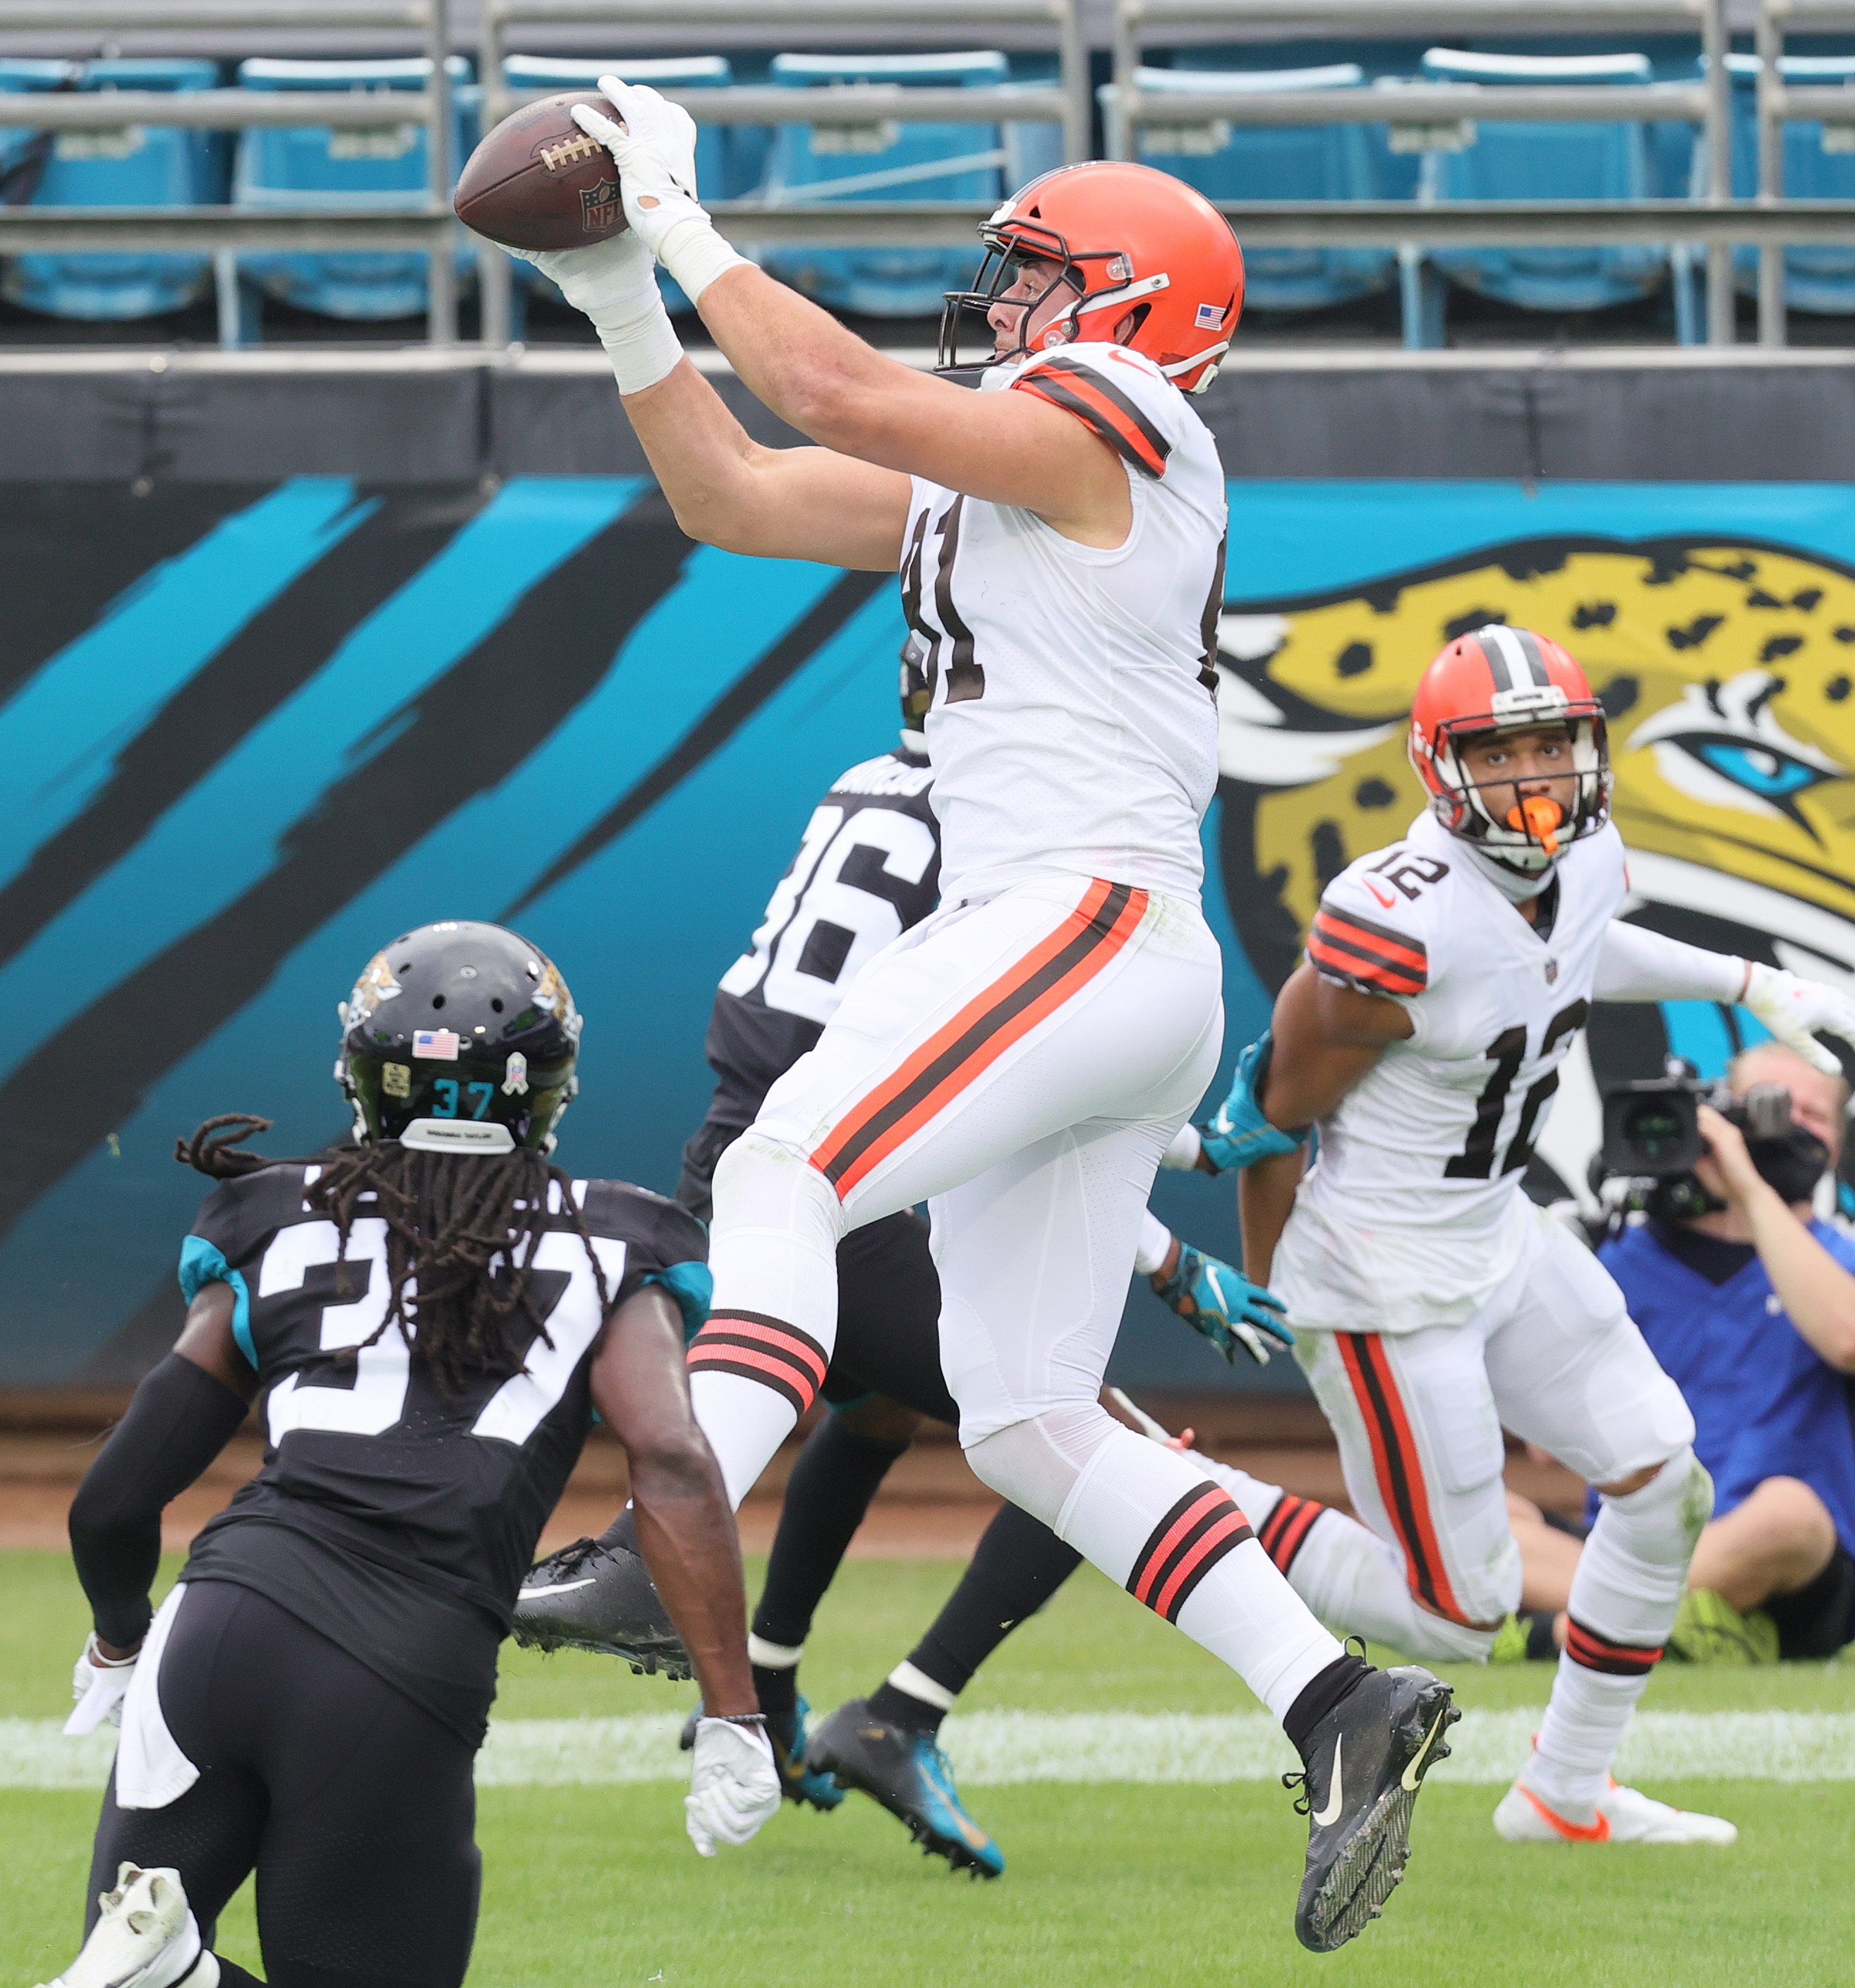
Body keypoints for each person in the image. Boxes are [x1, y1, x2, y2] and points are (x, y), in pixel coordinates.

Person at [512, 77, 1456, 1953]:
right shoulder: (1012, 472)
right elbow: (737, 491)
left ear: (1132, 312)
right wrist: (625, 290)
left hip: (1072, 920)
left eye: (1036, 279)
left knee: (785, 1165)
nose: (1003, 306)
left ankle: (663, 1538)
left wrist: (683, 213)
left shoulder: (1135, 418)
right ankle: (1337, 1702)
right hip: (1090, 954)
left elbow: (842, 395)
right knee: (1026, 1419)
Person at [515, 670, 1298, 1881]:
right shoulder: (1016, 829)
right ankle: (901, 1714)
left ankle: (768, 1680)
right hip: (842, 1178)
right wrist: (1162, 1247)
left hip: (759, 1148)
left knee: (878, 1408)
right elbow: (1007, 1074)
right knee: (1095, 1442)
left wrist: (1178, 1148)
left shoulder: (872, 780)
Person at [1210, 622, 1855, 1847]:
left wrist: (1751, 986)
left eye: (1555, 750)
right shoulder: (1392, 924)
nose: (1537, 782)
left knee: (1663, 1479)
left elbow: (1578, 949)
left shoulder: (1581, 864)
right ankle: (1181, 1507)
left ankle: (1565, 1790)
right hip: (1383, 1276)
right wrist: (1261, 1278)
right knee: (1457, 1612)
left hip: (1497, 1235)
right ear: (1438, 766)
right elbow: (1270, 1115)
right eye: (1501, 754)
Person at [42, 922, 773, 1988]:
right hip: (391, 1668)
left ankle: (177, 1976)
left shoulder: (280, 1215)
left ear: (362, 1075)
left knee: (134, 1955)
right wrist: (734, 1710)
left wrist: (120, 1641)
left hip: (209, 1631)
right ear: (549, 1083)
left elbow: (111, 1503)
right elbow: (669, 1458)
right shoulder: (611, 1240)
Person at [1594, 1044, 1855, 1661]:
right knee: (1493, 1524)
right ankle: (1668, 1623)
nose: (1786, 1124)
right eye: (1764, 1105)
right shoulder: (1618, 1262)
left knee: (1791, 1514)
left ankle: (1572, 1625)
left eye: (1807, 1112)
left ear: (1835, 1142)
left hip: (1790, 1568)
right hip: (1628, 1541)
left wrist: (1749, 1189)